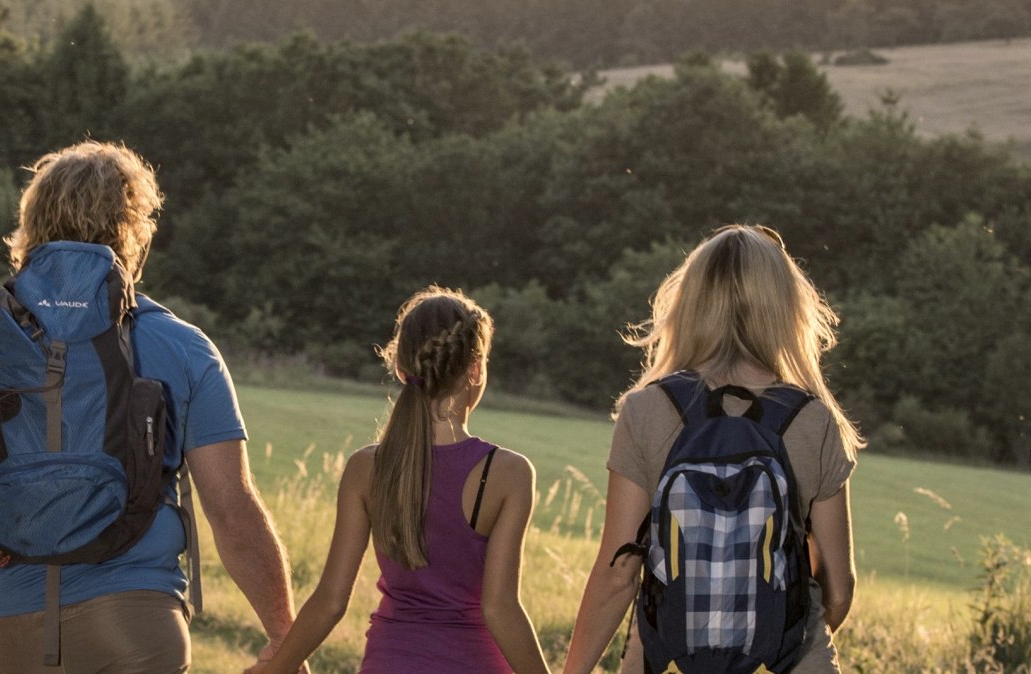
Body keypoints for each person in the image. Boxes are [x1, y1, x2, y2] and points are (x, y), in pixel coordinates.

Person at [0, 141, 302, 674]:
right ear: (134, 233)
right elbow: (232, 508)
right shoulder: (183, 347)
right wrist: (284, 639)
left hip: (5, 624)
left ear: (31, 227)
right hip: (134, 622)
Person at [562, 224, 861, 674]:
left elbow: (617, 574)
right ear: (784, 308)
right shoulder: (812, 419)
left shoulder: (647, 410)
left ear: (690, 303)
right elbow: (839, 588)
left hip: (668, 661)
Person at [254, 286, 552, 674]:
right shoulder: (507, 473)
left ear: (400, 367)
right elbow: (499, 608)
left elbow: (330, 600)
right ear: (476, 368)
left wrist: (275, 669)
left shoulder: (366, 468)